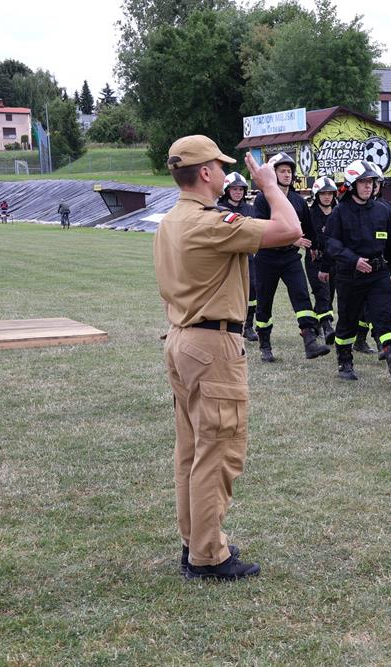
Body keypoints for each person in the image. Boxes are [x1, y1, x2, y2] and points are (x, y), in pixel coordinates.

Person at [154, 135, 303, 580]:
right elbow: (290, 229)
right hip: (211, 345)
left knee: (191, 452)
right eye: (219, 166)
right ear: (204, 173)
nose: (224, 173)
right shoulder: (211, 222)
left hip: (181, 339)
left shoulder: (172, 220)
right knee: (218, 451)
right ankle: (208, 556)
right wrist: (270, 185)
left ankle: (195, 542)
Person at [319, 159, 391, 384]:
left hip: (379, 274)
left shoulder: (383, 211)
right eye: (363, 182)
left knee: (385, 318)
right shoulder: (339, 212)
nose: (368, 186)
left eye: (372, 182)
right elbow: (331, 244)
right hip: (349, 276)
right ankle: (345, 363)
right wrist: (353, 260)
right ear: (352, 184)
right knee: (348, 321)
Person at [252, 152, 331, 362]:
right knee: (264, 302)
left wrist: (314, 246)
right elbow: (260, 230)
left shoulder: (298, 201)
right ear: (273, 173)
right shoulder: (261, 199)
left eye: (289, 171)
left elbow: (309, 229)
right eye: (282, 171)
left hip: (290, 259)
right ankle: (265, 346)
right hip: (266, 259)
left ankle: (310, 342)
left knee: (302, 295)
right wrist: (292, 238)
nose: (287, 175)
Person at [218, 172, 259, 341]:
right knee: (228, 292)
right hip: (226, 259)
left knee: (253, 291)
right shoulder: (218, 209)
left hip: (248, 257)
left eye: (240, 189)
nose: (238, 192)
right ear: (227, 191)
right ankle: (228, 325)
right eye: (234, 189)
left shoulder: (250, 209)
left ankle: (248, 326)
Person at [308, 175, 339, 345]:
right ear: (316, 195)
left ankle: (314, 325)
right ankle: (328, 327)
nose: (327, 196)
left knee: (329, 294)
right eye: (323, 193)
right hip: (315, 260)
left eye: (330, 193)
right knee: (322, 293)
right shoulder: (310, 214)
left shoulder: (338, 213)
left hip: (334, 261)